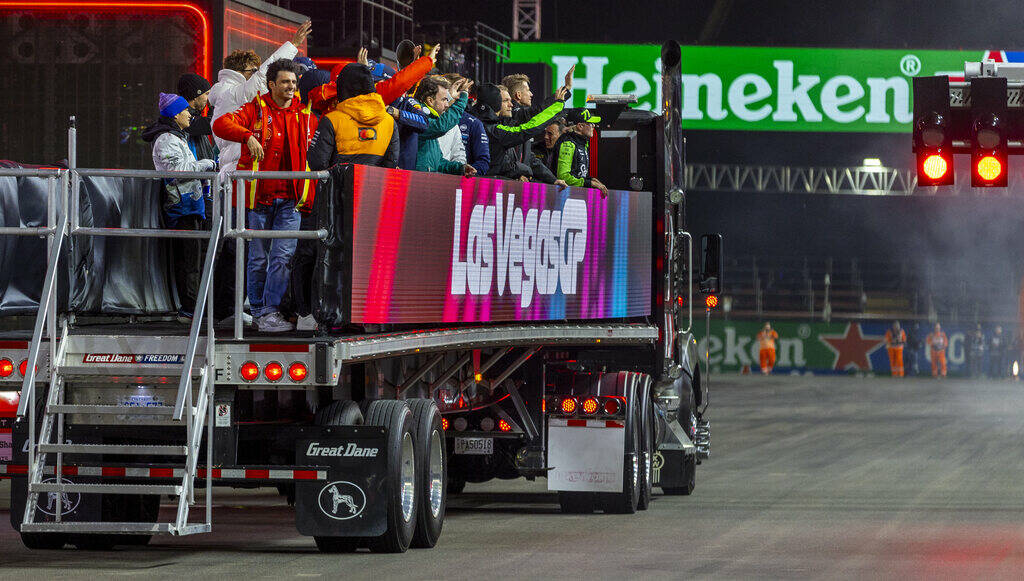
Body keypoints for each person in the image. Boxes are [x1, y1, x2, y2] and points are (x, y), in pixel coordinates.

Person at [213, 59, 317, 333]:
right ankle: (261, 312)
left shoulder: (305, 114)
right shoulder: (254, 109)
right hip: (257, 200)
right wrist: (247, 136)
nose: (291, 87)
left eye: (294, 82)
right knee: (258, 258)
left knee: (282, 257)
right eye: (285, 82)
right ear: (271, 85)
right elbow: (221, 124)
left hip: (291, 202)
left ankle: (270, 312)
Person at [142, 93, 217, 322]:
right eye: (185, 111)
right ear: (175, 114)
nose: (189, 114)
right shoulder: (166, 139)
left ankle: (193, 307)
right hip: (181, 208)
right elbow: (178, 171)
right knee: (188, 262)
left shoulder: (176, 136)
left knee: (193, 260)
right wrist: (206, 164)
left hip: (190, 205)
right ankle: (189, 309)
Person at [209, 20, 311, 175]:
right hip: (238, 166)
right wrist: (293, 45)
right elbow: (262, 78)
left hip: (235, 164)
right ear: (239, 71)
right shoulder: (232, 93)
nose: (256, 72)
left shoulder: (228, 92)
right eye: (253, 69)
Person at [307, 63, 400, 171]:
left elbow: (317, 162)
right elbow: (391, 163)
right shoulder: (389, 122)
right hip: (375, 186)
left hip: (337, 187)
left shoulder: (331, 120)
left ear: (342, 87)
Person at [470, 83, 567, 181]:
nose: (511, 104)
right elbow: (529, 128)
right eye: (504, 101)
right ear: (496, 104)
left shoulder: (475, 122)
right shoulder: (495, 130)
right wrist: (557, 106)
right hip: (488, 185)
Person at [414, 76, 476, 176]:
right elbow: (441, 126)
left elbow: (438, 162)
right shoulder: (416, 116)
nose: (447, 105)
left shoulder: (432, 119)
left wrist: (460, 168)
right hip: (414, 182)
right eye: (444, 99)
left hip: (427, 182)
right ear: (430, 100)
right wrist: (463, 98)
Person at [554, 108, 609, 196]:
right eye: (590, 123)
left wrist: (590, 180)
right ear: (580, 126)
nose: (594, 126)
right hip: (563, 196)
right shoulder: (568, 143)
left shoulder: (582, 143)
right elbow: (563, 176)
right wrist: (589, 183)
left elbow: (578, 173)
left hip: (574, 195)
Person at [176, 73, 217, 163]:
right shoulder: (182, 117)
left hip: (200, 173)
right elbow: (213, 124)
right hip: (194, 174)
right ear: (195, 96)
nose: (208, 98)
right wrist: (213, 106)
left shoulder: (195, 116)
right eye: (206, 94)